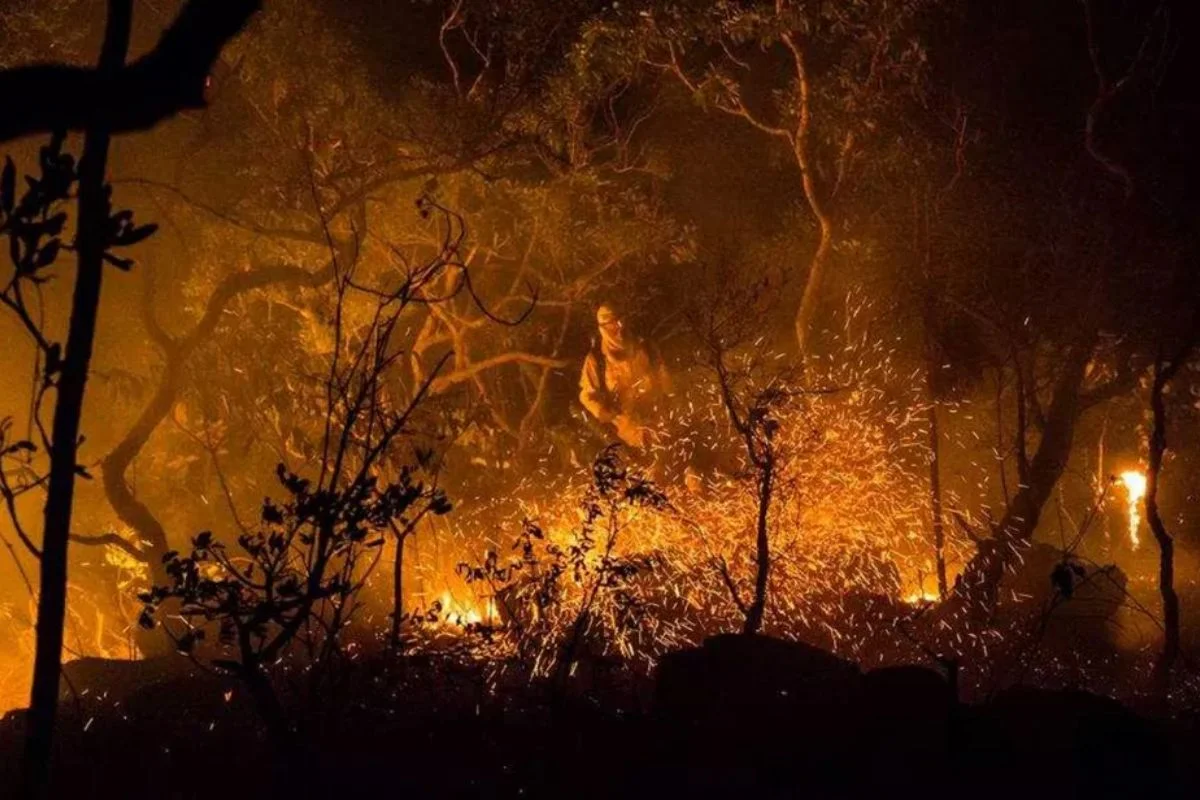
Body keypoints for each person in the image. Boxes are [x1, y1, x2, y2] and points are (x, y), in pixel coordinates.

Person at [578, 302, 672, 450]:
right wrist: (602, 412)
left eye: (621, 319)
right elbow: (587, 395)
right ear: (603, 328)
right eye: (613, 323)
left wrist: (669, 398)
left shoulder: (645, 347)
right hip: (627, 436)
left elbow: (664, 377)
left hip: (660, 425)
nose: (620, 326)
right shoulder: (596, 359)